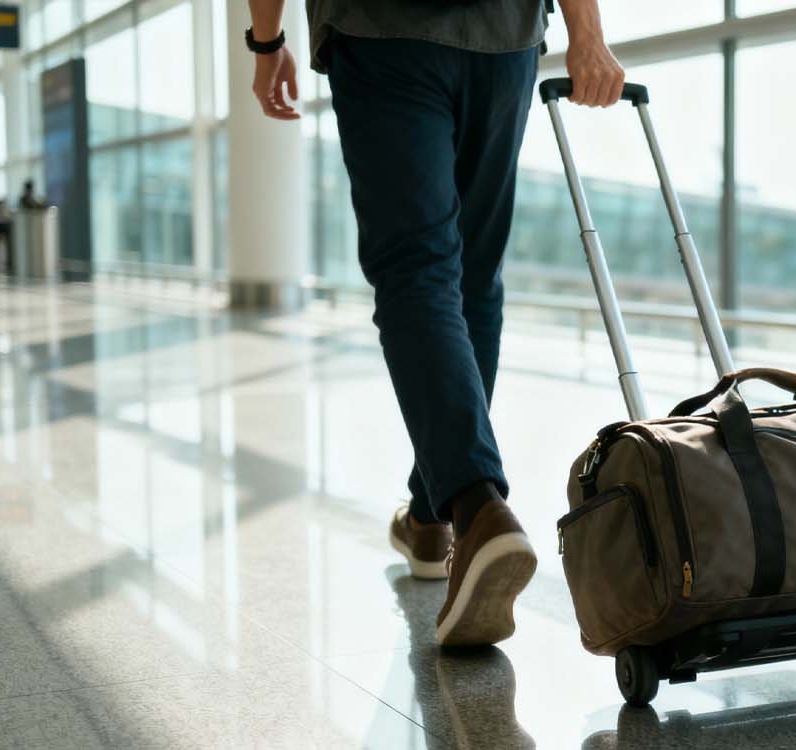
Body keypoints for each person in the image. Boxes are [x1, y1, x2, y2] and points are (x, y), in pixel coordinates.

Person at [244, 0, 625, 646]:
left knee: (418, 272)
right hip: (503, 40)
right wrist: (587, 33)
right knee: (473, 280)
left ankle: (476, 506)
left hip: (381, 32)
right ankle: (431, 517)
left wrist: (265, 41)